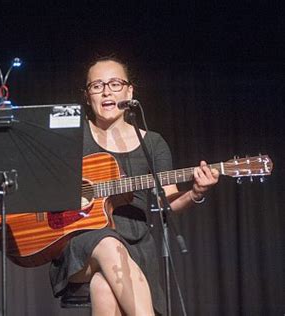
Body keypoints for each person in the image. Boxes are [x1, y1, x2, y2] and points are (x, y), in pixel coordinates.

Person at [49, 56, 220, 316]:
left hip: (137, 244)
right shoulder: (71, 137)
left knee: (104, 286)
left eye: (115, 84)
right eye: (97, 85)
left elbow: (168, 201)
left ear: (129, 92)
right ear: (87, 96)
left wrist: (196, 193)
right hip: (80, 242)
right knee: (107, 243)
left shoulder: (152, 144)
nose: (106, 91)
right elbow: (41, 184)